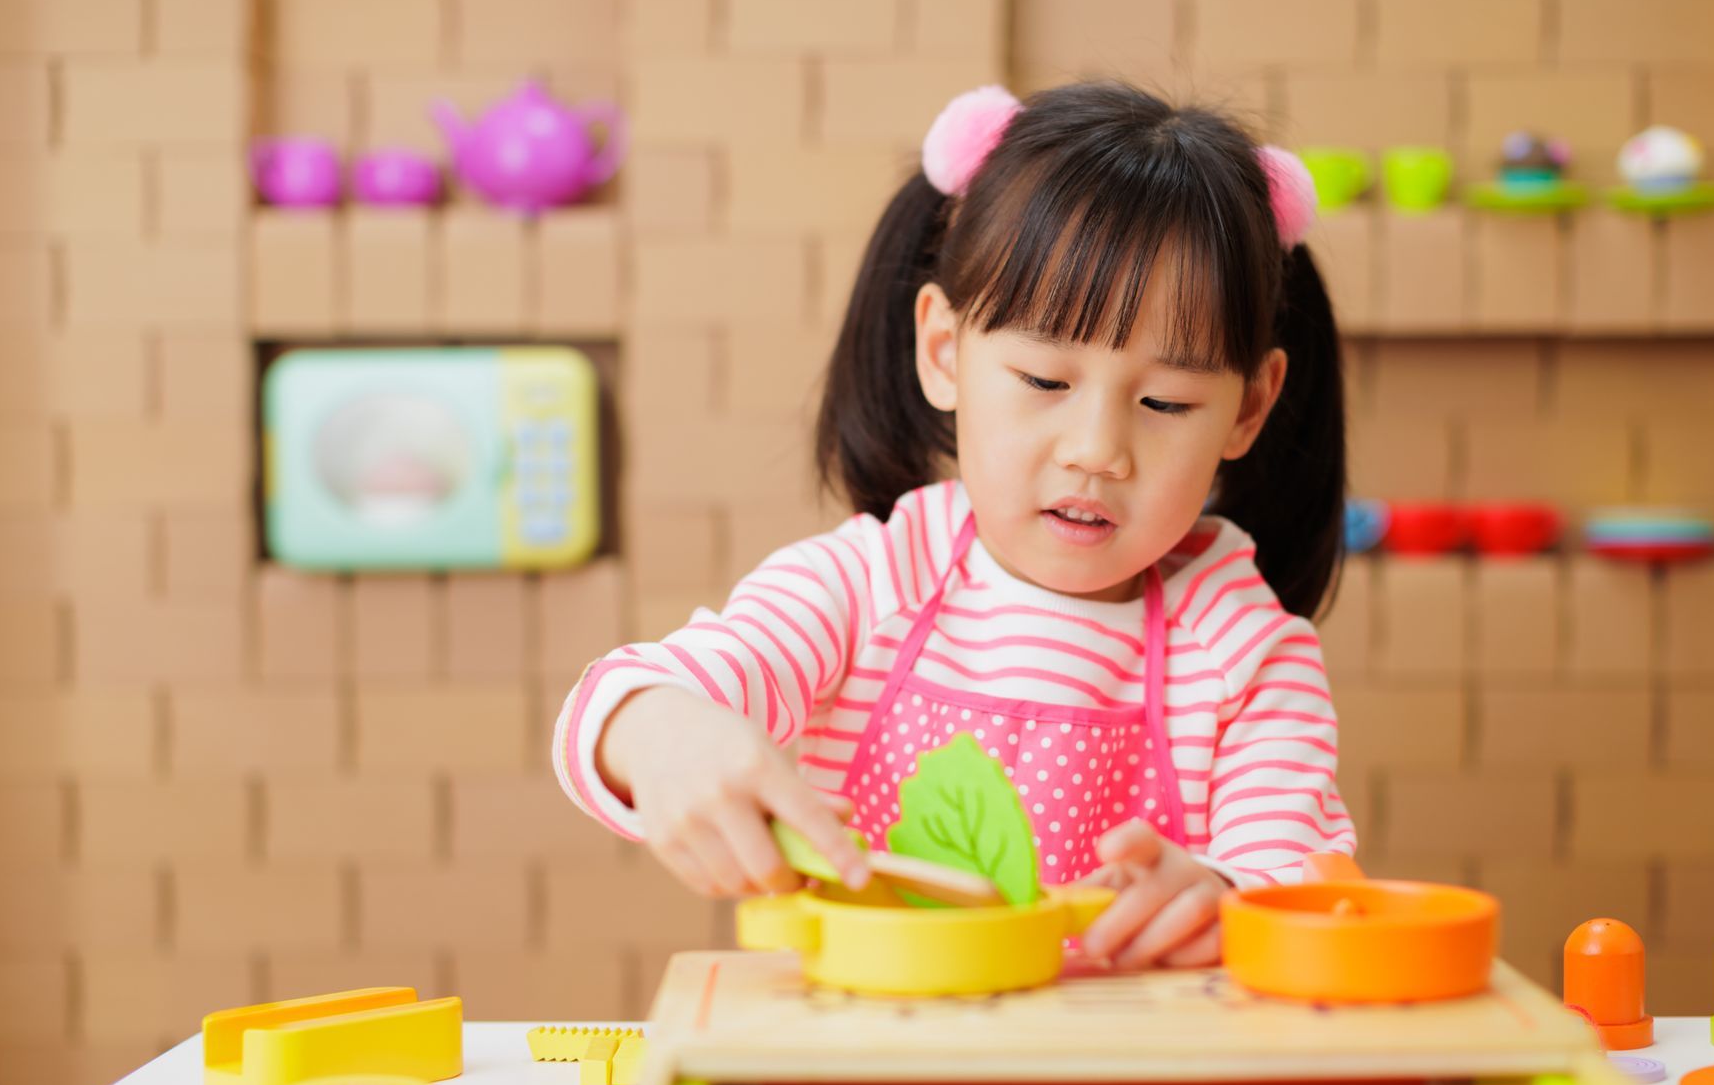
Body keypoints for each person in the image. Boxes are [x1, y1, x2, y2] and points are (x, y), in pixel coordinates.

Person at [553, 79, 1355, 969]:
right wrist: (664, 732)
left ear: (1248, 410)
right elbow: (623, 704)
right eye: (1046, 382)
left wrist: (1225, 905)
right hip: (862, 1071)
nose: (1097, 451)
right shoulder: (866, 585)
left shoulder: (1248, 655)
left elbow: (1299, 892)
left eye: (1165, 401)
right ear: (945, 351)